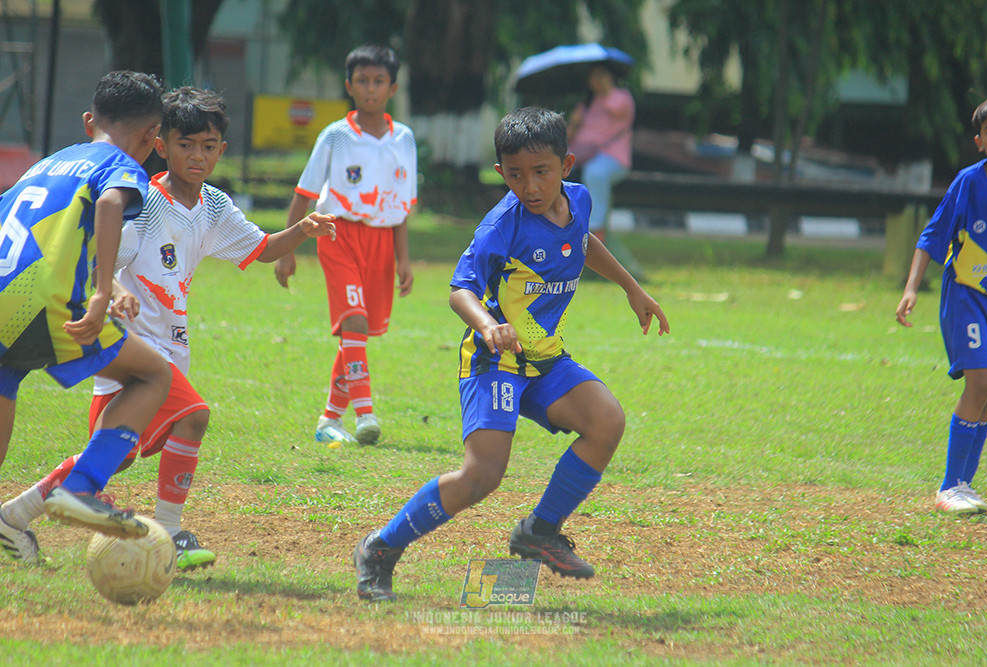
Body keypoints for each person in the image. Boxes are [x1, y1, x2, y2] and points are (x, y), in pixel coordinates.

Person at [0, 87, 336, 566]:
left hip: (163, 347)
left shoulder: (214, 206)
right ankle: (173, 532)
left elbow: (260, 248)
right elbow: (106, 252)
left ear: (222, 149)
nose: (196, 155)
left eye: (207, 145)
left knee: (113, 457)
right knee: (195, 416)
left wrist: (301, 231)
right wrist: (114, 291)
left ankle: (14, 515)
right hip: (131, 344)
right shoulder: (144, 199)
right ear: (159, 144)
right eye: (185, 144)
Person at [351, 106, 668, 602]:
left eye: (542, 173)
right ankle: (380, 547)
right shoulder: (504, 222)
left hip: (544, 359)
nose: (531, 186)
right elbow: (461, 290)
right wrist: (488, 326)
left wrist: (631, 287)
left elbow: (582, 243)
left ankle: (539, 531)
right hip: (493, 360)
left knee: (607, 421)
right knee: (482, 476)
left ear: (566, 165)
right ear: (501, 174)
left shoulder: (579, 201)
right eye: (516, 175)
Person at [0, 70, 171, 550]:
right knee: (153, 376)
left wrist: (109, 281)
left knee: (5, 378)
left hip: (3, 292)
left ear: (89, 121)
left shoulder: (47, 164)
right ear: (150, 137)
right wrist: (100, 296)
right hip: (41, 304)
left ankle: (6, 525)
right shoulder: (120, 164)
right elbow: (113, 204)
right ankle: (81, 486)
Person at [274, 44, 416, 447]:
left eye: (379, 81)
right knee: (353, 321)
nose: (370, 89)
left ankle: (328, 420)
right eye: (362, 81)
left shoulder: (404, 140)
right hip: (337, 234)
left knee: (358, 333)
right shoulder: (335, 136)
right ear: (349, 85)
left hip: (382, 241)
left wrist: (403, 259)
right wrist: (287, 250)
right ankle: (366, 414)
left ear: (392, 86)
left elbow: (402, 207)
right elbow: (303, 194)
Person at [896, 94, 987, 515]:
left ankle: (965, 485)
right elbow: (931, 237)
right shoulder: (969, 183)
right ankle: (949, 486)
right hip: (966, 297)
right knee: (978, 382)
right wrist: (910, 289)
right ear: (979, 142)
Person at [566, 64, 635, 241]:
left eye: (601, 75)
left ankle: (595, 229)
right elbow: (570, 137)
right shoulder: (587, 104)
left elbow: (619, 109)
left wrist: (606, 89)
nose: (596, 80)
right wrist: (574, 123)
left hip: (611, 156)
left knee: (596, 173)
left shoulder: (621, 97)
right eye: (593, 76)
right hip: (581, 156)